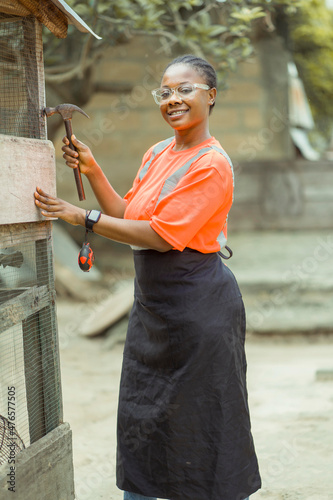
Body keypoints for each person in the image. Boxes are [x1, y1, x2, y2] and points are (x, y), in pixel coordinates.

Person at [35, 54, 261, 500]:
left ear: (211, 96)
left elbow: (160, 235)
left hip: (199, 313)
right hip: (154, 313)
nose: (172, 99)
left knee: (200, 426)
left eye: (185, 89)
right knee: (144, 420)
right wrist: (93, 169)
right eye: (165, 92)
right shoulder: (157, 152)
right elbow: (128, 215)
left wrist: (82, 215)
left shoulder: (211, 164)